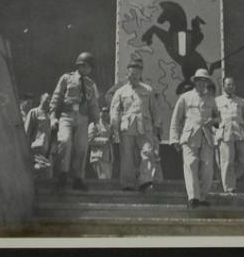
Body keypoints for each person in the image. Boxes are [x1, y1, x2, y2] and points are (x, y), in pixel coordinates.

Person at [49, 51, 100, 192]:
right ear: (80, 65)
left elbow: (93, 104)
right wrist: (53, 116)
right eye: (85, 66)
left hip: (82, 117)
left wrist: (97, 121)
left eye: (90, 67)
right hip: (66, 115)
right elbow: (57, 97)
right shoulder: (67, 78)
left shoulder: (91, 84)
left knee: (82, 147)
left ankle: (78, 178)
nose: (87, 69)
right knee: (65, 142)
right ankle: (63, 174)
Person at [170, 68, 220, 208]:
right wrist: (174, 139)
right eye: (199, 81)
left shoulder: (211, 100)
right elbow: (176, 119)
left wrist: (213, 121)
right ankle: (193, 197)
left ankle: (202, 197)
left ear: (207, 83)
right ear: (195, 82)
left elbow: (218, 118)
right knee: (191, 165)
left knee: (208, 168)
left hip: (207, 137)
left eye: (204, 81)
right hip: (190, 137)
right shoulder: (185, 98)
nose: (201, 84)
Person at [110, 57, 161, 192]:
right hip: (127, 127)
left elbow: (155, 110)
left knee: (147, 152)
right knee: (127, 156)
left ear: (140, 74)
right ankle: (128, 183)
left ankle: (145, 181)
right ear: (127, 74)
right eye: (131, 74)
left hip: (145, 127)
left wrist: (157, 126)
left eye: (136, 74)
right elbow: (115, 110)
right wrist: (114, 126)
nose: (133, 77)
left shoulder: (148, 90)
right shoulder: (121, 92)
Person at [215, 76, 244, 193]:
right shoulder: (217, 101)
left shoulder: (241, 101)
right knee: (227, 161)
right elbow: (212, 119)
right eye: (228, 84)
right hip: (225, 134)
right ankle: (229, 188)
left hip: (239, 132)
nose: (231, 86)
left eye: (233, 84)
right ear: (223, 86)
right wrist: (214, 135)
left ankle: (230, 177)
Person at [24, 92, 54, 177]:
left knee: (48, 175)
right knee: (36, 171)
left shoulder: (51, 116)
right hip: (35, 149)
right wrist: (26, 149)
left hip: (47, 151)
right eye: (46, 99)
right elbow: (27, 132)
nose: (48, 101)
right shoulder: (33, 112)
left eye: (50, 100)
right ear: (41, 100)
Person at [87, 106, 116, 180]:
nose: (105, 113)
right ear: (99, 112)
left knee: (107, 181)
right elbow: (90, 140)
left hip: (108, 158)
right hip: (98, 156)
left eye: (107, 111)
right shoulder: (94, 125)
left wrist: (113, 138)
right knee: (103, 180)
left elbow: (112, 141)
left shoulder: (109, 127)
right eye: (103, 111)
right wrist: (104, 140)